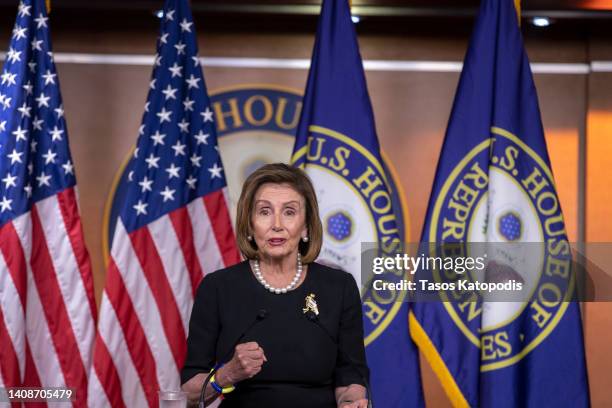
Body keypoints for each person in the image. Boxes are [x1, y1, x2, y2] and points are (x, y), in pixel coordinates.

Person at [181, 163, 369, 408]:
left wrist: (351, 401)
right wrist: (227, 374)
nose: (277, 224)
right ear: (249, 225)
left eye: (289, 212)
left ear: (306, 226)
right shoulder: (217, 288)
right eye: (264, 211)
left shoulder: (339, 287)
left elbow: (350, 376)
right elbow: (189, 393)